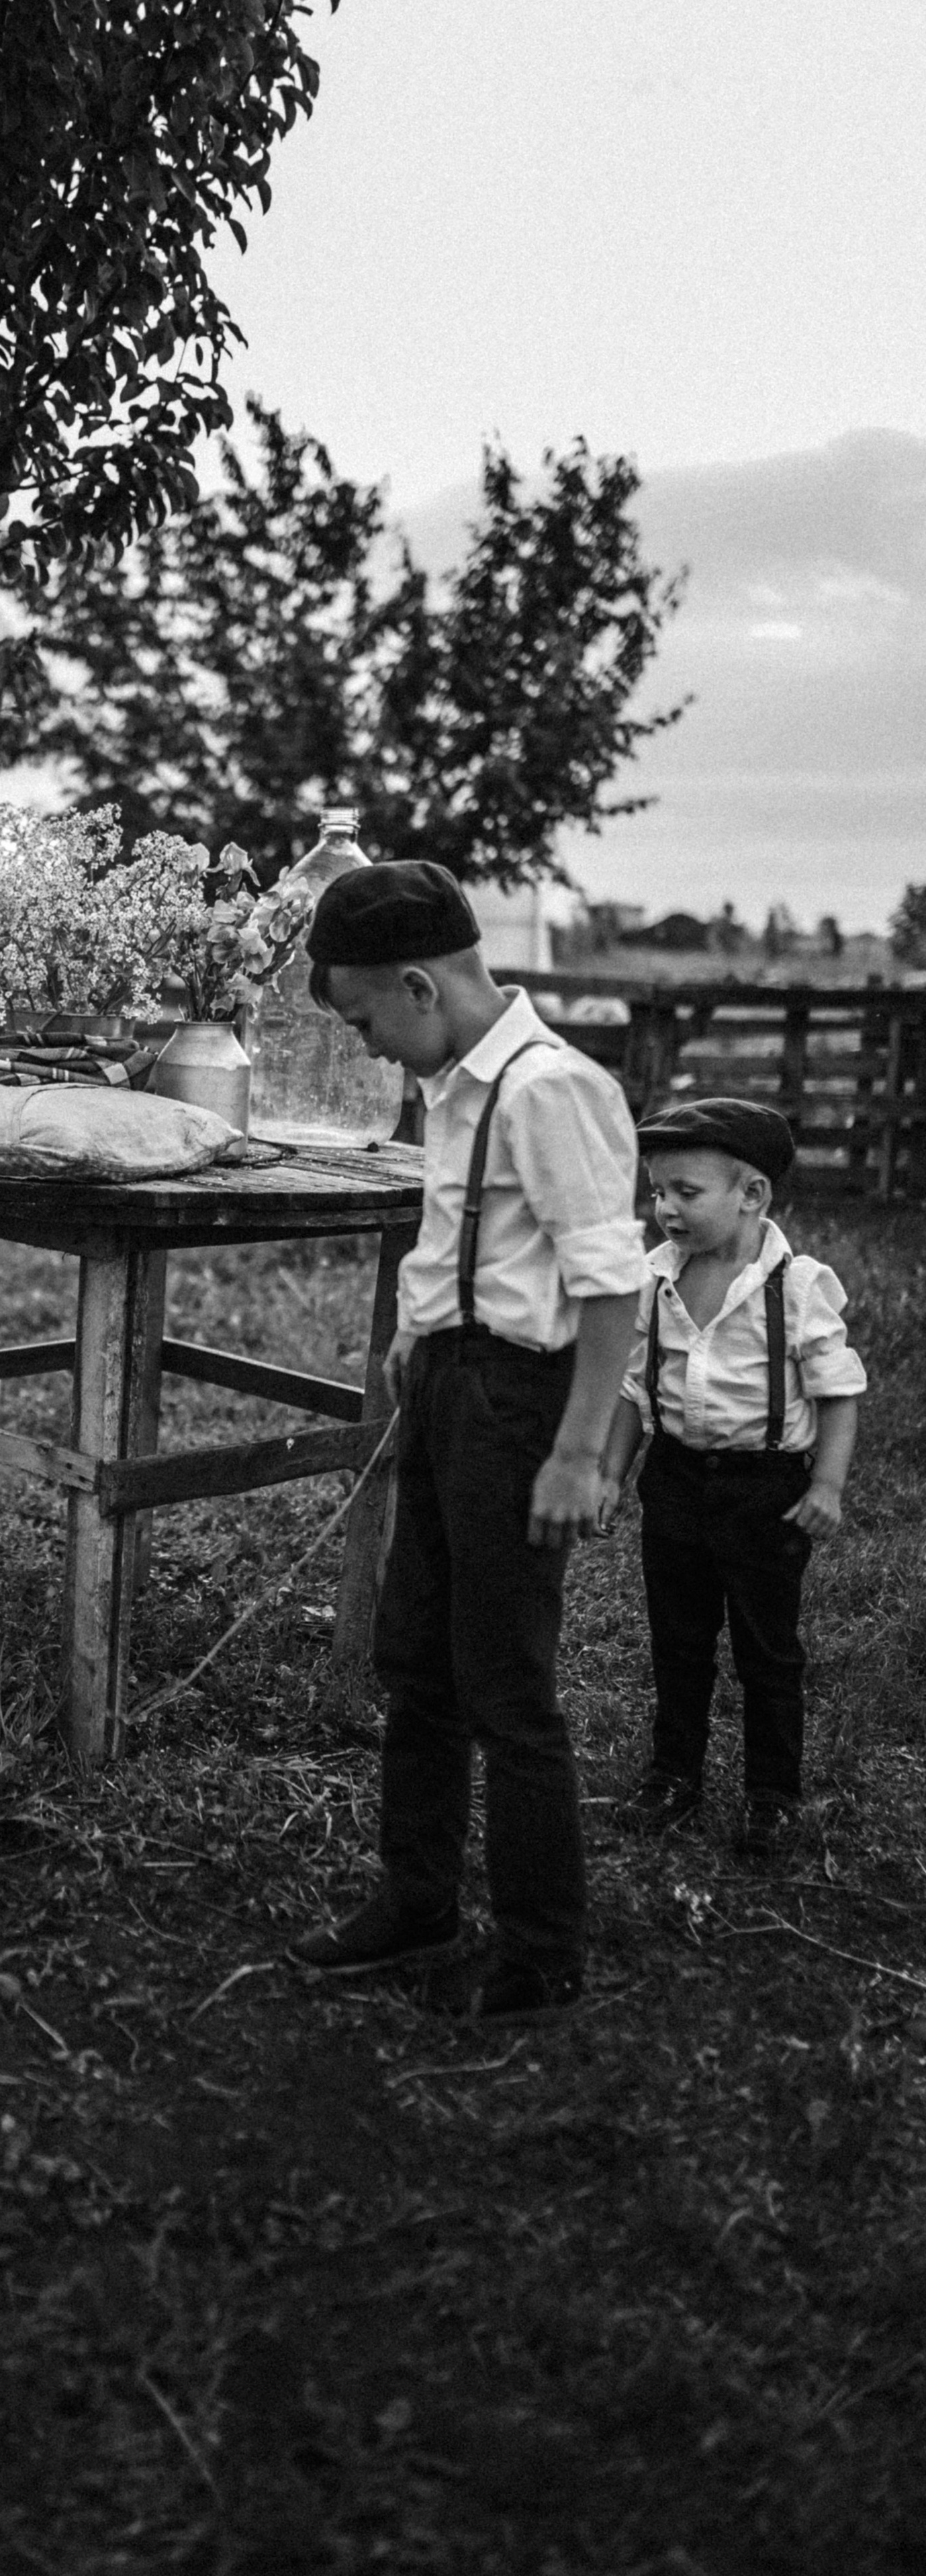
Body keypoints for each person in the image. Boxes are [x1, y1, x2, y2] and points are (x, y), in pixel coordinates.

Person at [288, 861, 648, 2024]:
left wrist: (583, 1453)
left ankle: (542, 1951)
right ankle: (419, 1896)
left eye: (364, 1021)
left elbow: (606, 1288)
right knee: (417, 1658)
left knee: (505, 1678)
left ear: (417, 985)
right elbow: (457, 1228)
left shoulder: (551, 1090)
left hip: (520, 1403)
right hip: (450, 1382)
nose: (369, 1046)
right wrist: (422, 1338)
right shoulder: (454, 1083)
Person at [598, 1098, 864, 1857]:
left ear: (751, 1196)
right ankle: (672, 1775)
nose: (664, 1210)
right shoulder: (654, 1280)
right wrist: (612, 1474)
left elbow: (838, 1394)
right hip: (676, 1481)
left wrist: (826, 1487)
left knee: (765, 1647)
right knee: (678, 1638)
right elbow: (631, 1391)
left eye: (686, 1192)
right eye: (656, 1192)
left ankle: (771, 1794)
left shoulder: (800, 1287)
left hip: (764, 1490)